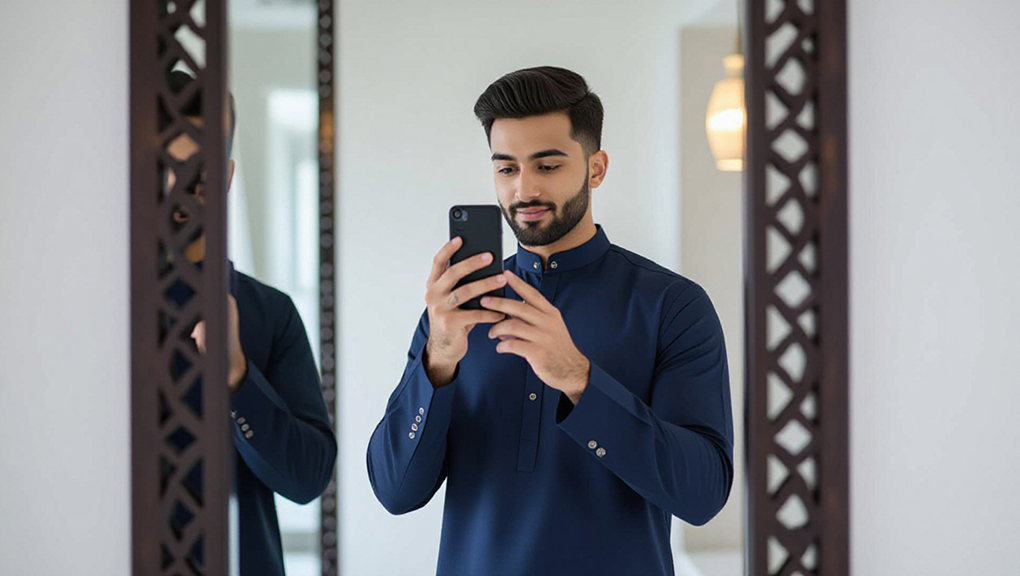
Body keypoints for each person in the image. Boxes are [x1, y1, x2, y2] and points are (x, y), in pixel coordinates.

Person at [366, 66, 734, 576]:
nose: (524, 189)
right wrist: (438, 361)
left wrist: (580, 379)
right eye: (507, 169)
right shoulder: (455, 309)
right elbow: (395, 492)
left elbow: (704, 495)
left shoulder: (672, 306)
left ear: (596, 168)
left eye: (547, 165)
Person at [162, 70, 337, 576]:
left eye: (196, 176)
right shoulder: (92, 311)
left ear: (226, 176)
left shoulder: (271, 313)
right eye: (163, 172)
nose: (177, 194)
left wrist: (239, 377)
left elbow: (307, 480)